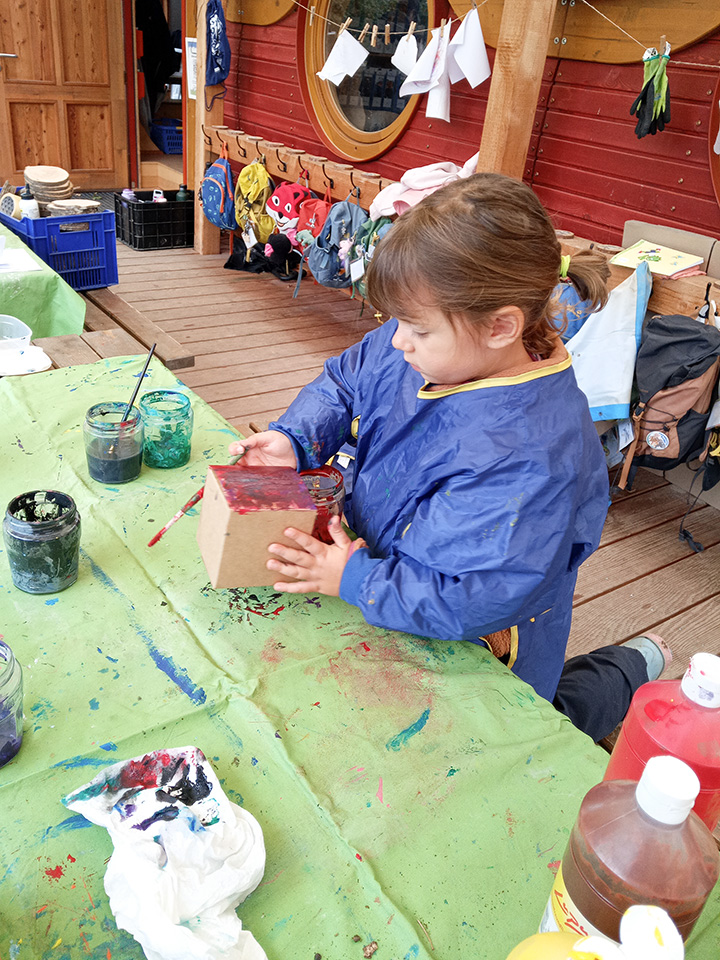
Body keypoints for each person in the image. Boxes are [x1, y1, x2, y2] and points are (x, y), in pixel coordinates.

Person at [229, 173, 669, 742]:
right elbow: (348, 379)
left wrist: (355, 579)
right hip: (390, 573)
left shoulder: (533, 458)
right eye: (395, 322)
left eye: (414, 329)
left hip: (484, 631)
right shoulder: (430, 339)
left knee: (523, 733)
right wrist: (295, 437)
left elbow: (467, 598)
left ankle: (634, 666)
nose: (396, 341)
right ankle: (635, 664)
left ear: (501, 326)